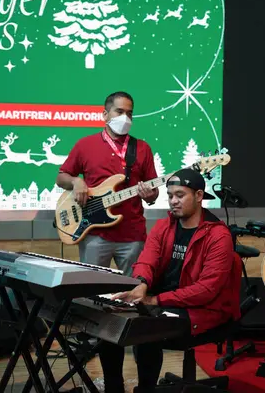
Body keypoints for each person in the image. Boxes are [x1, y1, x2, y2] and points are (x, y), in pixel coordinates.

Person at [99, 168, 241, 393]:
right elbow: (147, 260)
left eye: (180, 195)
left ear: (198, 196)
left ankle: (146, 390)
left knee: (145, 330)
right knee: (111, 323)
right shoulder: (164, 226)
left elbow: (206, 290)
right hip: (166, 301)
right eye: (170, 195)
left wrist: (155, 300)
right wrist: (141, 283)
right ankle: (113, 388)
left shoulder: (218, 236)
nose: (173, 201)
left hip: (203, 310)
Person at [57, 92, 159, 276]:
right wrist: (76, 181)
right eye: (119, 111)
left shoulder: (143, 148)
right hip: (94, 234)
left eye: (129, 113)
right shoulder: (85, 145)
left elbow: (154, 193)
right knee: (92, 289)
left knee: (132, 291)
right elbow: (61, 177)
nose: (125, 118)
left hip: (132, 235)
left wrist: (150, 195)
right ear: (105, 115)